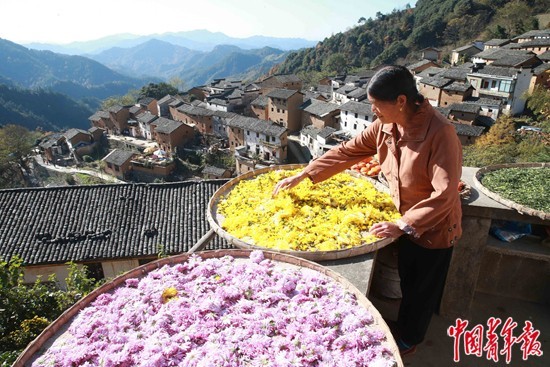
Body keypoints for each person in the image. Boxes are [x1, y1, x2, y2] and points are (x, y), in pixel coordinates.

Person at [273, 65, 463, 356]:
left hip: (434, 226)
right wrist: (306, 174)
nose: (373, 112)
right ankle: (404, 325)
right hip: (403, 219)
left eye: (376, 106)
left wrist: (403, 224)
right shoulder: (386, 126)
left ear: (401, 101)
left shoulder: (440, 134)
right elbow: (347, 151)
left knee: (421, 288)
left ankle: (409, 341)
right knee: (407, 278)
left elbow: (445, 195)